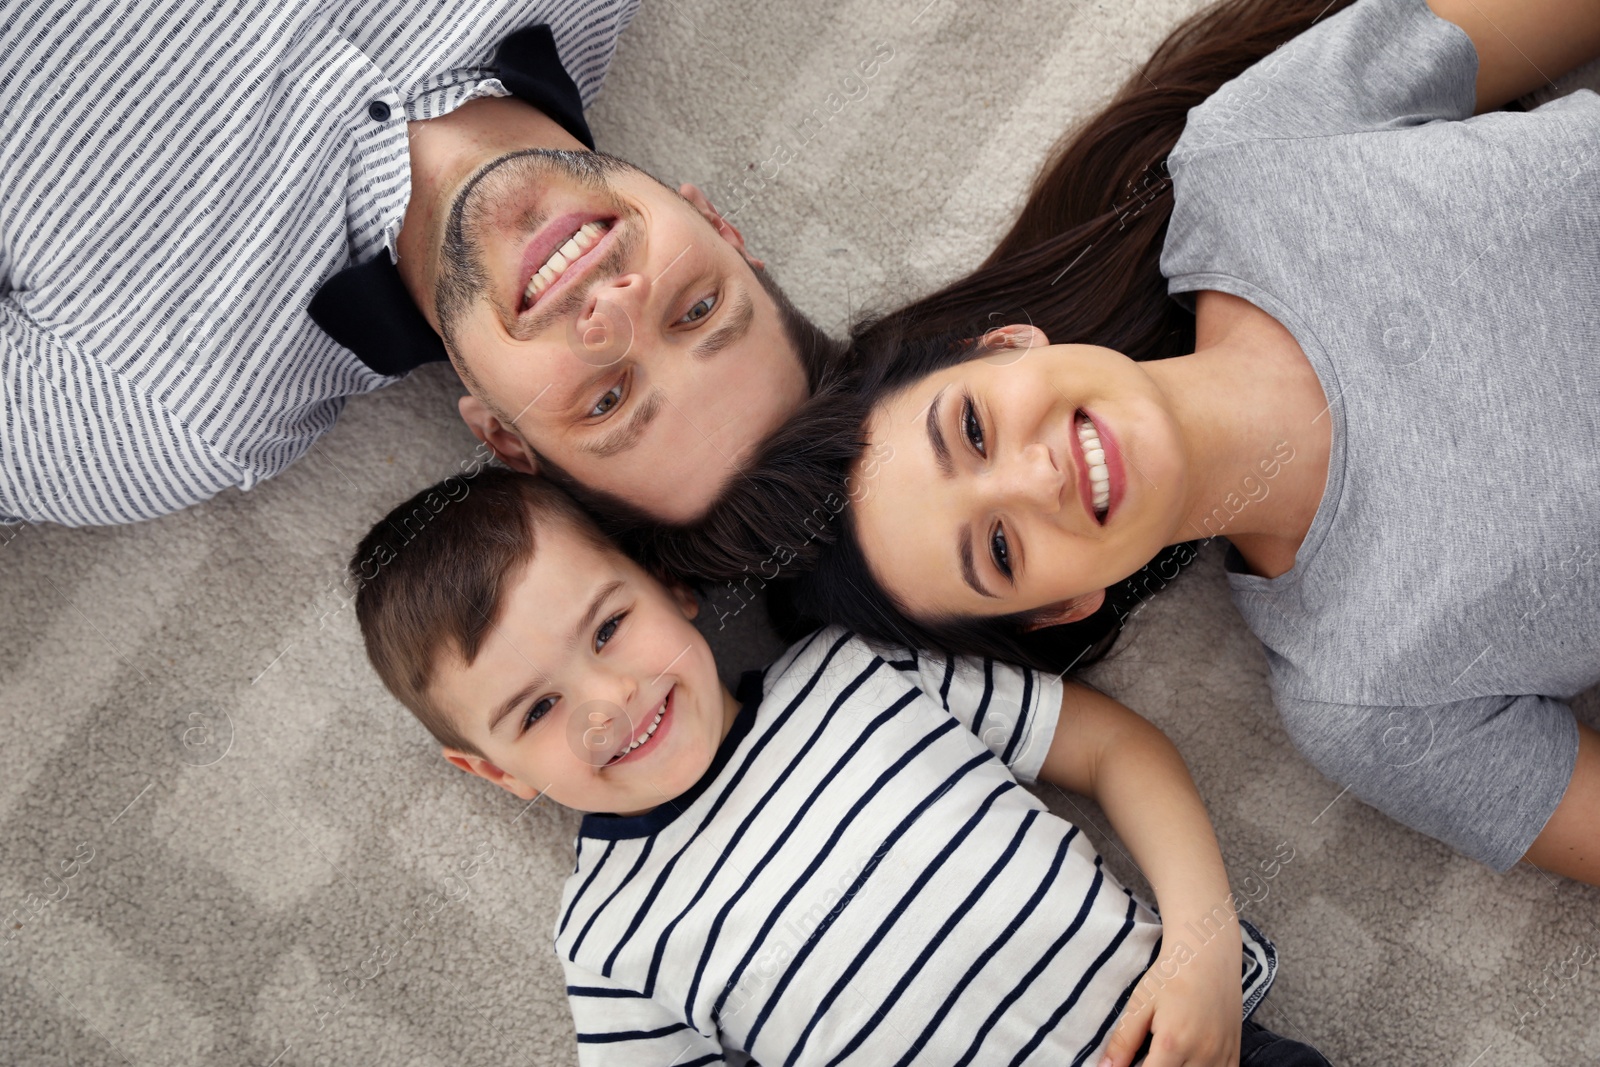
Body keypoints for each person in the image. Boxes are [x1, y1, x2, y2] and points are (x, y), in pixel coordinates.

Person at [659, 0, 1600, 884]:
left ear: (1008, 343)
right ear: (1065, 603)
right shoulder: (1366, 700)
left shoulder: (1252, 157)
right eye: (998, 547)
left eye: (974, 428)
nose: (1036, 475)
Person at [348, 467, 1332, 1066]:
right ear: (494, 771)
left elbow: (1117, 748)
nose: (607, 701)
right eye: (538, 708)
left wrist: (1199, 941)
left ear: (671, 587)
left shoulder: (858, 672)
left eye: (609, 626)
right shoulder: (609, 939)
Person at [0, 0, 835, 527]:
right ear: (721, 226)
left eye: (609, 398)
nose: (613, 307)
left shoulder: (173, 413)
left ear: (503, 437)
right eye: (695, 311)